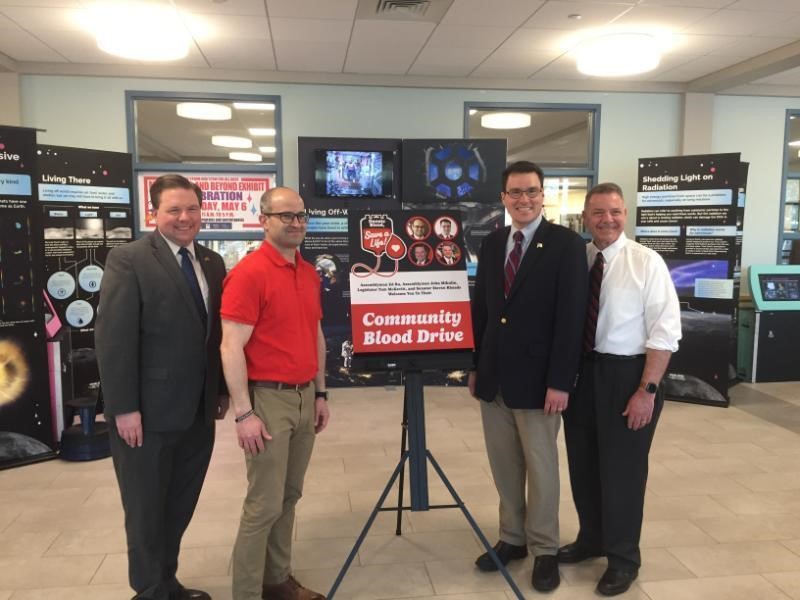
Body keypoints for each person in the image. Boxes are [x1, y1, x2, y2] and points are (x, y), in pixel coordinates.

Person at [95, 174, 228, 600]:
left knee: (179, 504)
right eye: (174, 210)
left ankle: (167, 582)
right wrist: (123, 408)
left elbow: (215, 335)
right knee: (146, 510)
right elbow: (114, 339)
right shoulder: (129, 259)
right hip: (146, 415)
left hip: (198, 412)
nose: (184, 217)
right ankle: (150, 591)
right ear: (154, 213)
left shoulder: (211, 261)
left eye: (192, 209)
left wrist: (221, 390)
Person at [469, 161, 588, 592]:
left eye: (532, 191)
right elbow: (482, 310)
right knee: (504, 465)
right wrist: (476, 366)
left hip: (540, 382)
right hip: (495, 377)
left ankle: (544, 549)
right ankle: (512, 539)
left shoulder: (566, 245)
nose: (524, 199)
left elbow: (572, 317)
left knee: (541, 469)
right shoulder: (492, 243)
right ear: (503, 198)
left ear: (543, 195)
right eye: (515, 192)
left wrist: (561, 381)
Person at [559, 182, 681, 596]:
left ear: (625, 214)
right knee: (583, 464)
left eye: (614, 212)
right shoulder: (578, 259)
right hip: (582, 374)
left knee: (622, 472)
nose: (606, 220)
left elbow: (665, 333)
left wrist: (647, 390)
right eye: (598, 212)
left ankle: (624, 558)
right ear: (585, 217)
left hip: (629, 376)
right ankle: (591, 539)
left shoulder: (646, 262)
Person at [221, 187, 330, 600]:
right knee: (263, 504)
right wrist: (244, 413)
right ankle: (247, 593)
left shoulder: (307, 272)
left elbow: (315, 334)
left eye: (300, 215)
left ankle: (277, 580)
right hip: (266, 400)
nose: (296, 223)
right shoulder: (249, 274)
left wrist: (321, 393)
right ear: (263, 220)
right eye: (286, 216)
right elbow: (231, 346)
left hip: (304, 396)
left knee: (288, 495)